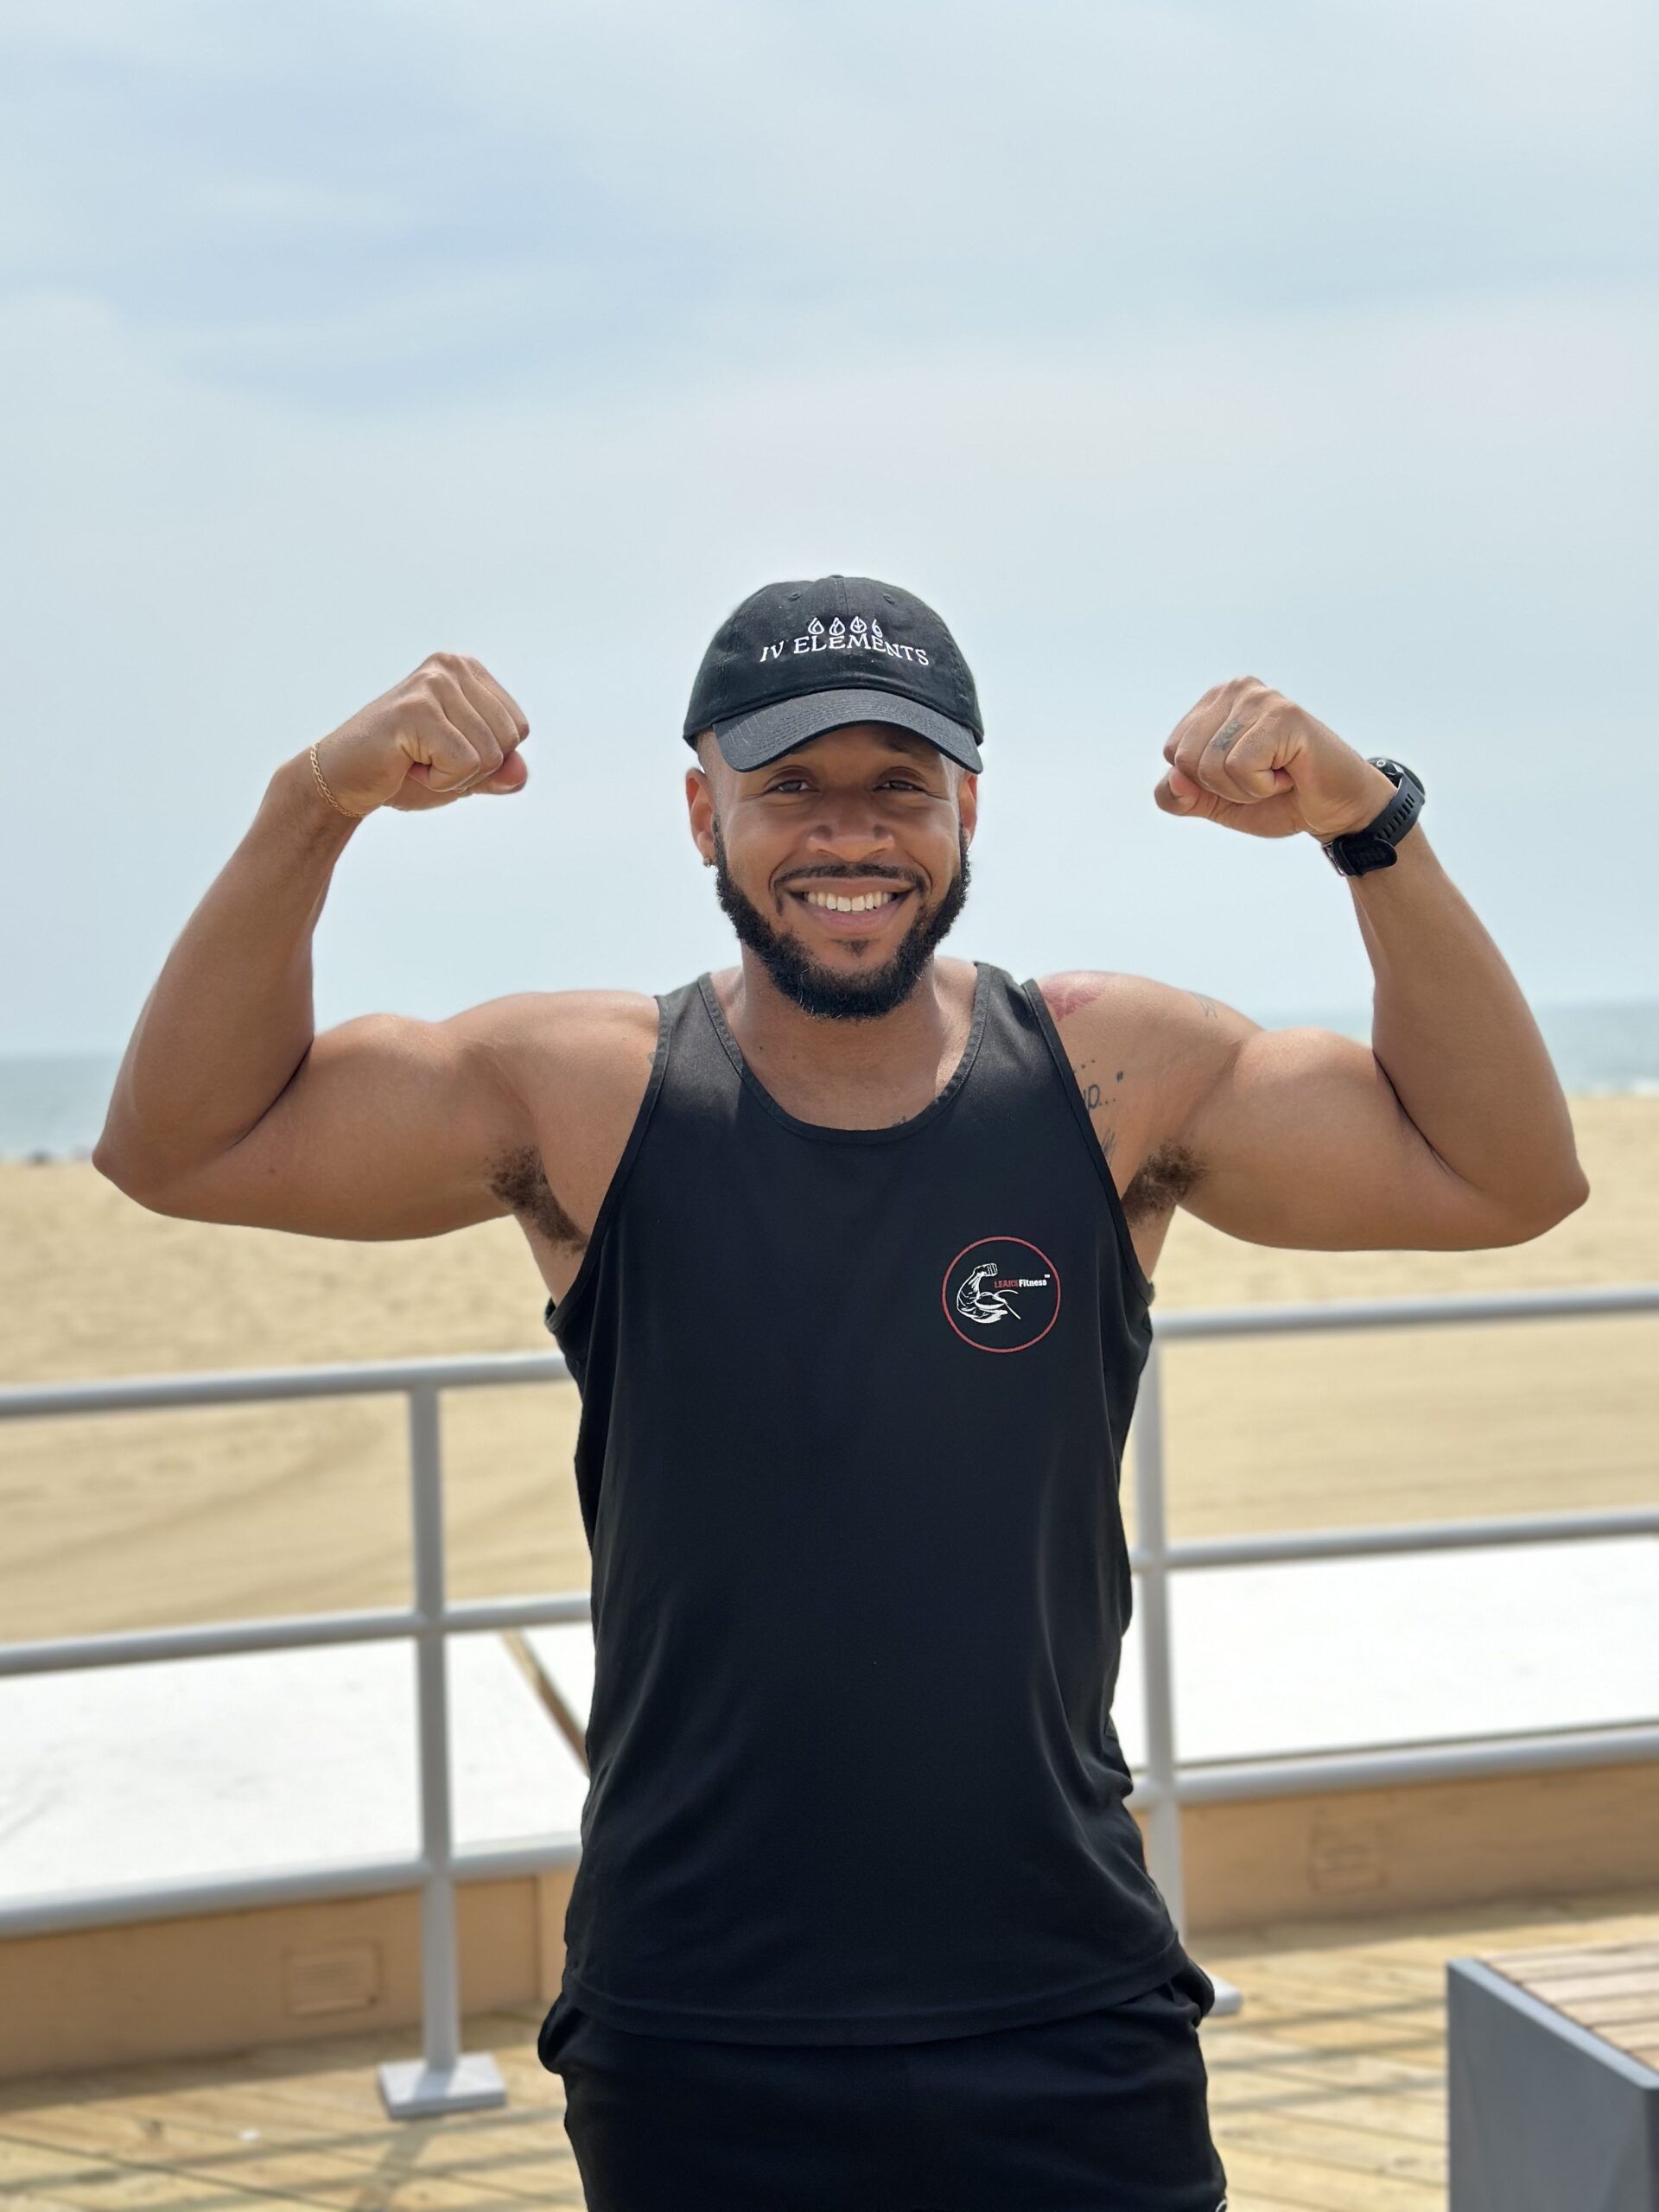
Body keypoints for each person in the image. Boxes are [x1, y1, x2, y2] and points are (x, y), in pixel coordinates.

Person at [95, 574, 1588, 2210]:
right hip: (699, 2019)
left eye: (900, 783)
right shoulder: (588, 1089)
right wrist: (310, 805)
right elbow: (183, 1147)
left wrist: (1369, 828)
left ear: (970, 807)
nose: (847, 833)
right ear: (701, 811)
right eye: (789, 782)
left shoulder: (1108, 1072)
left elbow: (1504, 1176)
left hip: (1065, 1998)